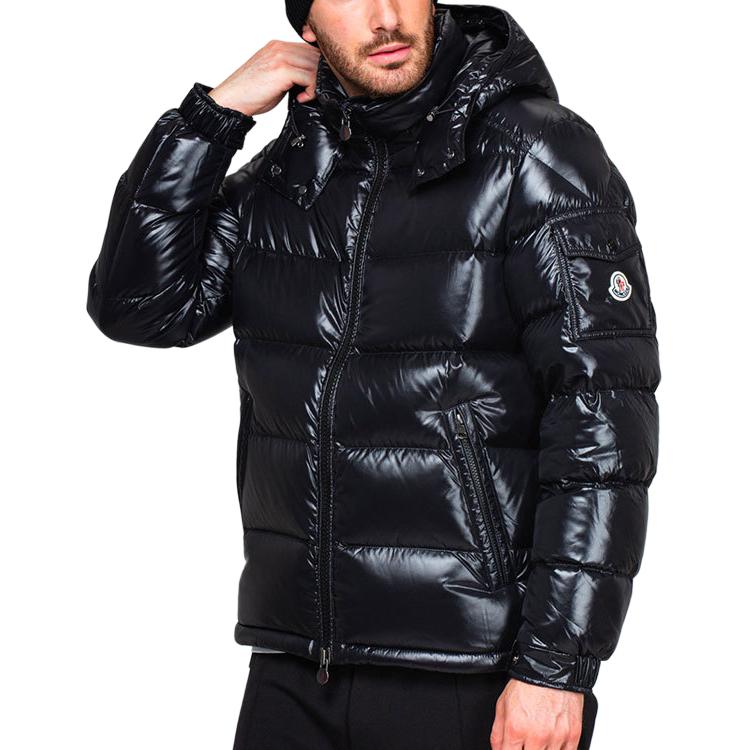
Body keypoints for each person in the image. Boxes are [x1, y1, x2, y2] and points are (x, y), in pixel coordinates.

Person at [85, 1, 660, 748]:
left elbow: (602, 424)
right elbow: (140, 308)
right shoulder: (295, 170)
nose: (386, 17)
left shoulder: (535, 153)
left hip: (471, 667)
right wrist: (211, 120)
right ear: (308, 26)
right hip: (296, 659)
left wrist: (556, 667)